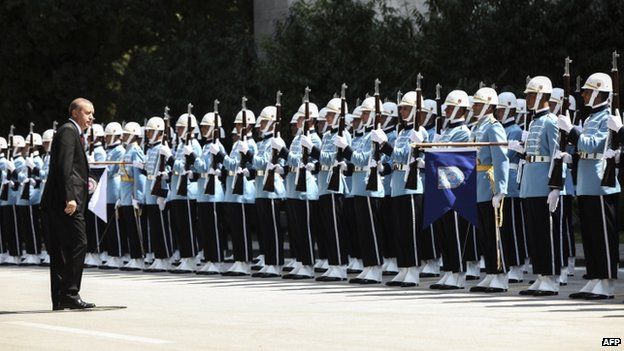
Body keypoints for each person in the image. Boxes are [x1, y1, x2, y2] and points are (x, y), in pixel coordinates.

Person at [40, 97, 95, 310]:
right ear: (74, 113)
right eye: (87, 112)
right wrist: (69, 197)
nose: (92, 117)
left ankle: (61, 297)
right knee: (78, 243)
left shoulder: (71, 133)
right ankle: (70, 293)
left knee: (64, 248)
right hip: (66, 202)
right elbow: (64, 167)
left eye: (92, 113)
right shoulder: (68, 132)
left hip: (62, 201)